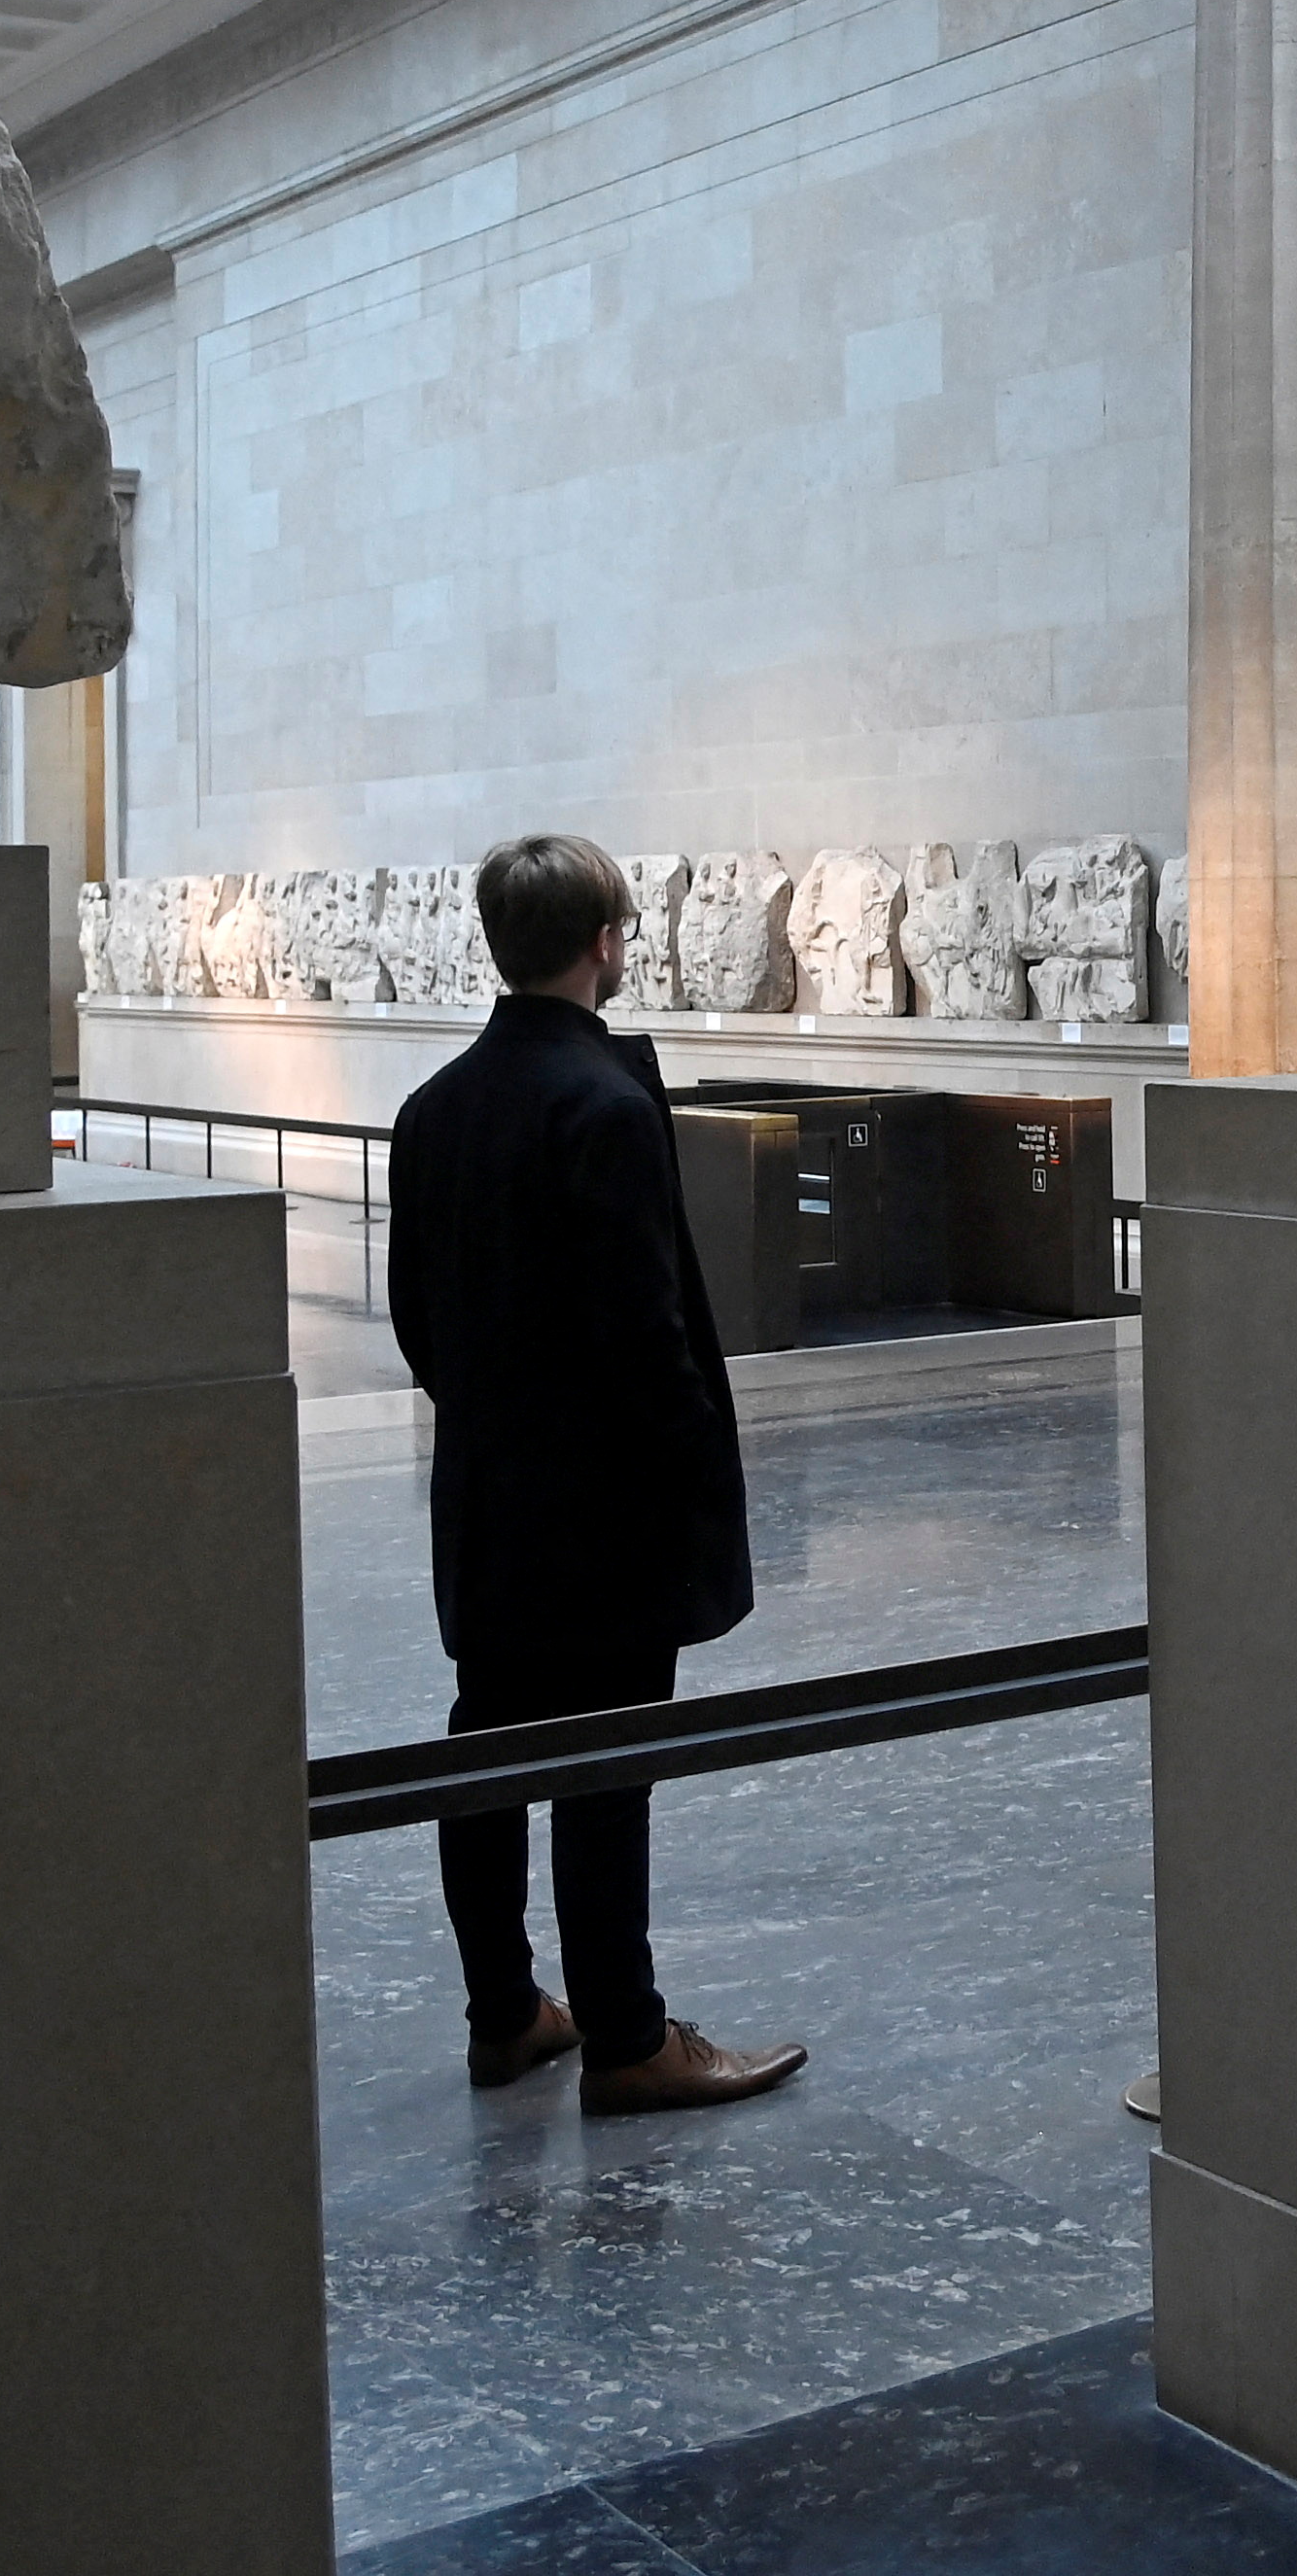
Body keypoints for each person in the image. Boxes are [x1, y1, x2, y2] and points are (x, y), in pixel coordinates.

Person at [388, 833, 805, 2112]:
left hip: (487, 1495)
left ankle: (506, 2011)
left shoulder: (433, 1108)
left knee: (489, 1746)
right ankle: (628, 2037)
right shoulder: (606, 1107)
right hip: (604, 1504)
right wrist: (689, 1476)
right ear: (607, 942)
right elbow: (646, 1331)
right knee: (606, 1769)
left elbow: (417, 1319)